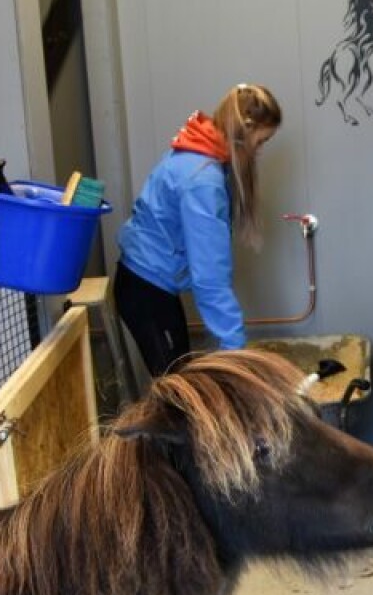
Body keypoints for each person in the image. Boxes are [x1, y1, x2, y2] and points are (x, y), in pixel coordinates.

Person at [115, 83, 282, 376]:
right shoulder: (203, 181)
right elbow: (210, 279)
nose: (259, 151)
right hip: (146, 288)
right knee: (178, 389)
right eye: (260, 142)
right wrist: (236, 354)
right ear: (245, 131)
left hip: (147, 282)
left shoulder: (194, 150)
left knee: (182, 379)